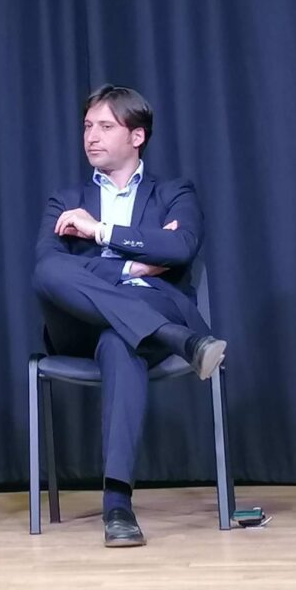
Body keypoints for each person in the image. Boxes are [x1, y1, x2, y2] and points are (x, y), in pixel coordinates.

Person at [31, 85, 225, 547]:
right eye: (87, 126)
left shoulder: (174, 192)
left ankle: (117, 504)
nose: (91, 136)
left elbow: (180, 248)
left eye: (105, 126)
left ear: (137, 136)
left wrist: (100, 232)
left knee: (121, 341)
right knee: (50, 270)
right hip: (78, 325)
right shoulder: (65, 199)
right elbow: (50, 265)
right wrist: (137, 264)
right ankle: (180, 340)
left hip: (145, 315)